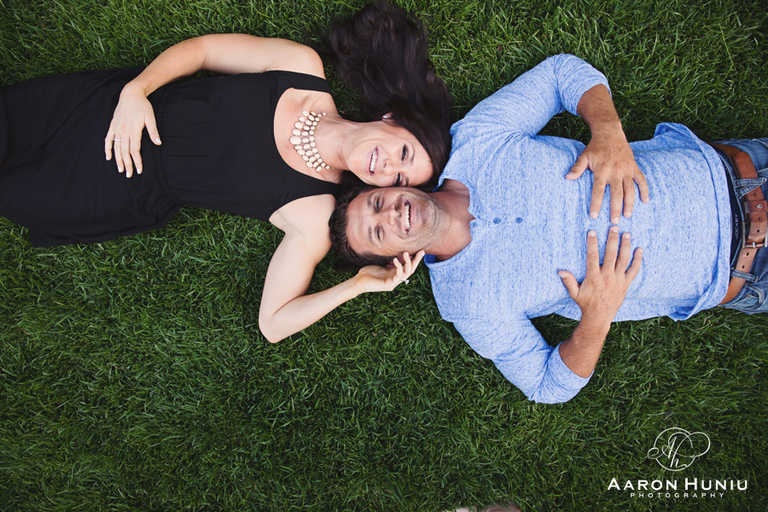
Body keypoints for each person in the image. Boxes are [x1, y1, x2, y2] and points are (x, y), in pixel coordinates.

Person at [0, 1, 452, 343]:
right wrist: (137, 91)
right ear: (392, 120)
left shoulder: (313, 211)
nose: (388, 169)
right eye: (405, 154)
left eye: (397, 182)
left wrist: (355, 286)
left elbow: (273, 324)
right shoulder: (301, 68)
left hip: (113, 185)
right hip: (107, 107)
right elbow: (204, 51)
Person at [329, 54, 767, 404]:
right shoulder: (467, 304)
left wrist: (608, 132)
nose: (389, 215)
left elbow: (562, 73)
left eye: (376, 203)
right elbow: (545, 386)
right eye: (378, 232)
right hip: (747, 273)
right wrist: (596, 317)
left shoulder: (478, 139)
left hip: (738, 173)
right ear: (396, 260)